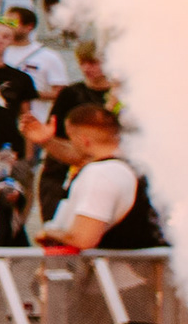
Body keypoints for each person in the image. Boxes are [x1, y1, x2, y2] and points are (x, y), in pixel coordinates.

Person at [39, 101, 166, 253]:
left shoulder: (100, 174)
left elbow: (83, 238)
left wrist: (49, 233)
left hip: (114, 266)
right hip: (148, 262)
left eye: (71, 137)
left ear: (83, 140)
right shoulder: (139, 167)